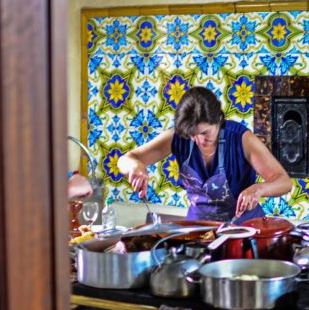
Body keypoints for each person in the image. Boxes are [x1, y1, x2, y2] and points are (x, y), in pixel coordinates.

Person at [117, 86, 292, 224]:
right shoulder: (178, 138)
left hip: (241, 231)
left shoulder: (241, 138)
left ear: (218, 120)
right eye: (192, 134)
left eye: (205, 133)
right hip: (198, 231)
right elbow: (125, 159)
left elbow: (284, 182)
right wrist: (136, 167)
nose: (198, 140)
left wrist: (258, 189)